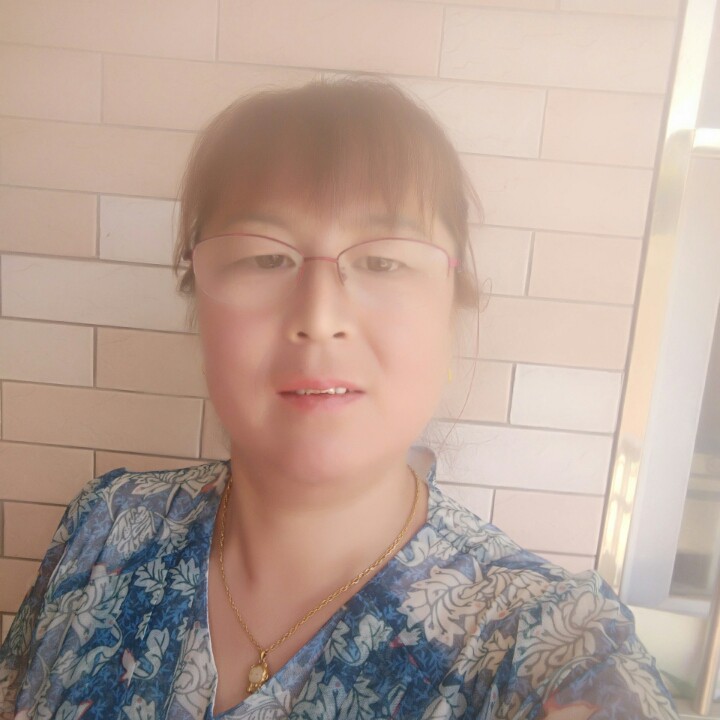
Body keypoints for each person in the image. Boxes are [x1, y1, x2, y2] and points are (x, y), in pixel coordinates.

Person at [0, 78, 678, 720]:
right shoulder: (105, 528)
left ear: (451, 316)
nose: (319, 317)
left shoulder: (549, 651)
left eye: (383, 260)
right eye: (266, 257)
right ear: (200, 309)